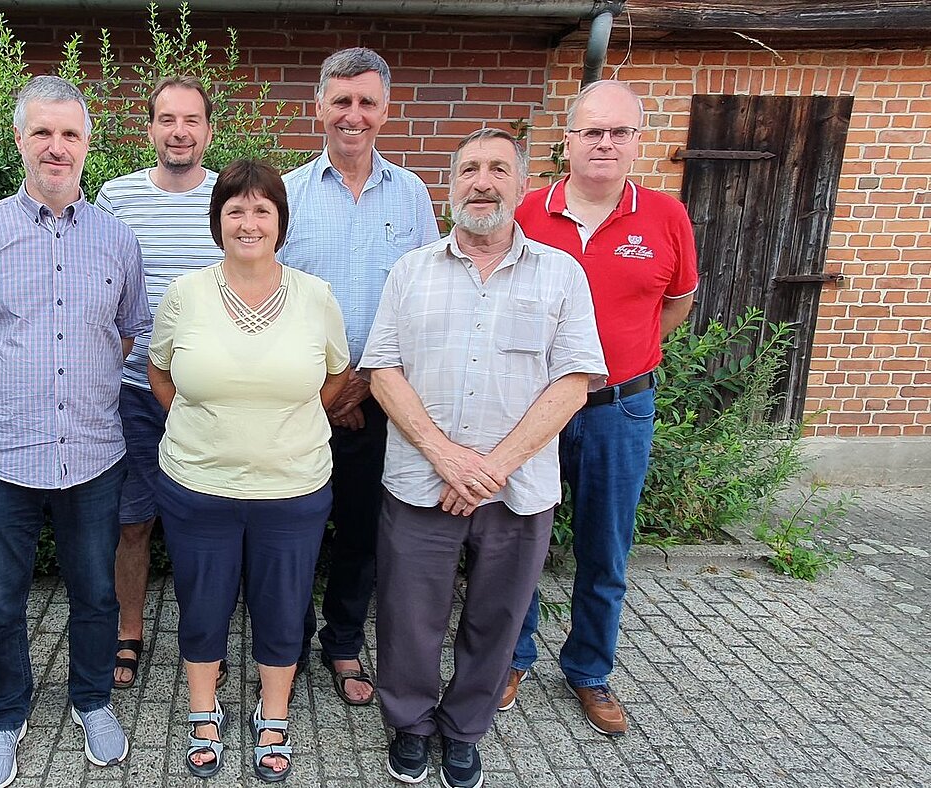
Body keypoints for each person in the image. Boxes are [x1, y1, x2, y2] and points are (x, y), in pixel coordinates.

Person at [363, 129, 607, 787]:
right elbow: (382, 370)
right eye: (469, 168)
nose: (482, 181)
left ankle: (465, 729)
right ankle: (411, 725)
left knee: (498, 619)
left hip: (518, 490)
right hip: (422, 481)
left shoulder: (561, 274)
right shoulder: (411, 271)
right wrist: (446, 457)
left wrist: (490, 468)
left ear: (522, 186)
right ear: (450, 186)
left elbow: (574, 383)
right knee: (409, 618)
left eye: (499, 169)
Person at [0, 76, 151, 788]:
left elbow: (125, 335)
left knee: (96, 595)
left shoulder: (118, 239)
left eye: (70, 134)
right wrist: (12, 391)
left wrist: (73, 387)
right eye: (42, 133)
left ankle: (92, 700)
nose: (56, 147)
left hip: (92, 455)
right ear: (19, 140)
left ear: (87, 144)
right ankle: (5, 715)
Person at [505, 79, 699, 736]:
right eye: (592, 131)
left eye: (619, 132)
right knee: (519, 538)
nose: (605, 143)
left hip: (619, 410)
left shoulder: (666, 217)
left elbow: (677, 302)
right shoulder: (527, 211)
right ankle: (512, 657)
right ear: (568, 141)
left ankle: (589, 671)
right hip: (534, 408)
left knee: (605, 548)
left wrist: (623, 356)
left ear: (638, 141)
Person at [147, 159, 349, 782]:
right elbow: (160, 372)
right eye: (235, 209)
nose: (249, 222)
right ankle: (203, 711)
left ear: (281, 221)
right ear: (218, 221)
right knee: (201, 604)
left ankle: (274, 712)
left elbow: (336, 375)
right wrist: (207, 426)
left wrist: (283, 427)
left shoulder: (316, 297)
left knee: (283, 607)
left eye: (263, 209)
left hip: (293, 489)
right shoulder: (185, 294)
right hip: (197, 486)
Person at [280, 46, 438, 707]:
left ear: (385, 110)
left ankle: (343, 641)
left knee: (362, 529)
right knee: (291, 528)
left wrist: (363, 382)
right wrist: (326, 389)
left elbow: (424, 300)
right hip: (297, 400)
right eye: (341, 100)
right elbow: (265, 296)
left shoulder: (413, 195)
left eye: (366, 102)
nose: (353, 114)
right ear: (319, 105)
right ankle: (286, 642)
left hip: (379, 398)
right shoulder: (286, 193)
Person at [93, 76, 224, 691]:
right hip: (132, 390)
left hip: (210, 394)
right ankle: (129, 631)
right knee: (132, 521)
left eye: (191, 120)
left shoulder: (229, 196)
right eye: (167, 119)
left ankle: (208, 637)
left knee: (211, 523)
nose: (179, 131)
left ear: (208, 130)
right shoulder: (116, 197)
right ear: (150, 129)